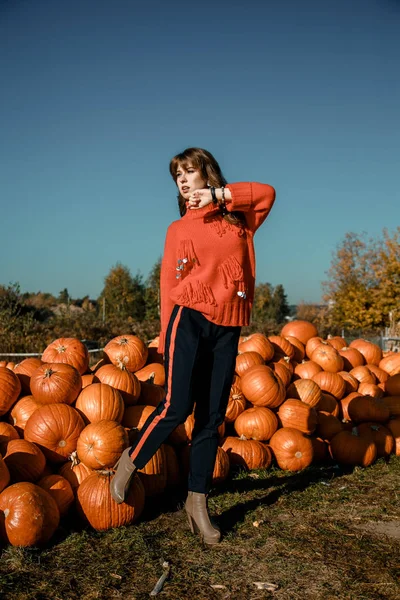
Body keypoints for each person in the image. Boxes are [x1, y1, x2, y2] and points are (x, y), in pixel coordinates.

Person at [111, 147, 276, 545]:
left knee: (212, 416)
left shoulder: (240, 221)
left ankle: (197, 501)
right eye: (177, 176)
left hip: (229, 324)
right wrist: (167, 337)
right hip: (187, 320)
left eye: (189, 172)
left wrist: (219, 197)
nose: (183, 181)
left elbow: (267, 193)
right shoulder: (178, 229)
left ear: (208, 175)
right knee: (176, 405)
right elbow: (169, 287)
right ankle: (130, 462)